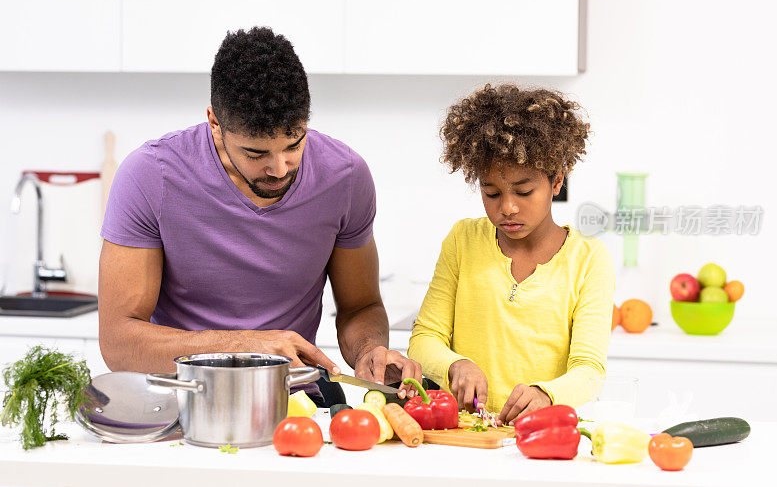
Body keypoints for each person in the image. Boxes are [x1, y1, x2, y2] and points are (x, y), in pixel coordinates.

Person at [98, 26, 421, 405]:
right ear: (215, 123)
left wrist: (368, 351)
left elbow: (360, 306)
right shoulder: (151, 176)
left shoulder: (345, 177)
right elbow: (119, 342)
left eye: (295, 144)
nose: (280, 168)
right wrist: (247, 347)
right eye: (256, 154)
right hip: (181, 403)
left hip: (298, 405)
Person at [408, 84, 615, 424]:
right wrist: (454, 364)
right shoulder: (463, 240)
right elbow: (425, 338)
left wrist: (547, 394)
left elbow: (589, 370)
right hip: (465, 430)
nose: (507, 207)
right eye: (491, 193)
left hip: (544, 433)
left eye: (524, 191)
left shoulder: (588, 259)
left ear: (557, 181)